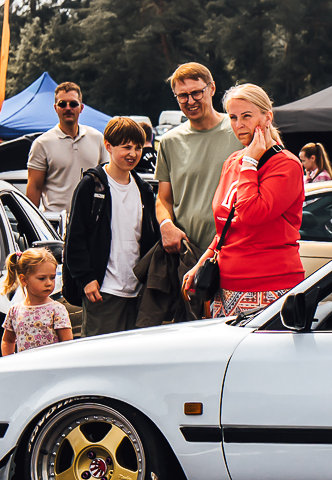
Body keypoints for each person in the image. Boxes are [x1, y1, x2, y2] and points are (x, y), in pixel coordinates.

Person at [180, 83, 304, 320]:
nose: (238, 124)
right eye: (233, 117)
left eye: (247, 116)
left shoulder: (286, 164)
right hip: (225, 285)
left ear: (267, 117)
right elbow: (225, 227)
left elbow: (251, 214)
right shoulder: (233, 161)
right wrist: (202, 263)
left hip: (269, 286)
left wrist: (250, 163)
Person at [64, 118, 159, 337]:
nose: (133, 154)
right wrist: (87, 278)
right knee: (99, 354)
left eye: (138, 148)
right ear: (108, 146)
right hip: (102, 292)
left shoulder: (144, 189)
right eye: (126, 147)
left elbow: (148, 240)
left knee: (135, 355)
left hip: (138, 294)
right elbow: (75, 238)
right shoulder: (92, 185)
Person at [154, 62, 240, 272]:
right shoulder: (169, 141)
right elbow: (164, 198)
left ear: (212, 88)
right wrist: (166, 225)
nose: (190, 101)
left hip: (234, 252)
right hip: (188, 254)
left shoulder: (239, 131)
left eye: (196, 93)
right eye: (182, 96)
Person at [25, 81, 103, 220]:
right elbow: (34, 188)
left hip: (91, 221)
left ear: (81, 108)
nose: (68, 108)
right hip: (55, 220)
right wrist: (30, 223)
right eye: (62, 104)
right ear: (55, 108)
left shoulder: (97, 138)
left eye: (73, 104)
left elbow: (107, 182)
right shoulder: (42, 143)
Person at [0, 247, 73, 354]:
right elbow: (8, 340)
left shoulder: (57, 309)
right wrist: (8, 360)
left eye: (52, 277)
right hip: (25, 364)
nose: (49, 283)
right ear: (24, 279)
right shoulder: (15, 311)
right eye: (42, 278)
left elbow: (67, 343)